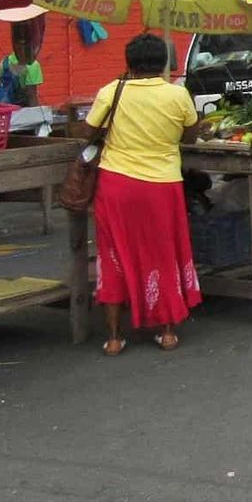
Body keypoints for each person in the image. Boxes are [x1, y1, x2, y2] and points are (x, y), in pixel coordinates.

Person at [84, 34, 202, 355]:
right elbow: (190, 137)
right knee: (162, 253)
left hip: (116, 185)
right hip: (162, 186)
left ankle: (112, 338)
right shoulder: (177, 95)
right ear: (164, 62)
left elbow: (87, 132)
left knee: (113, 256)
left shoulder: (111, 91)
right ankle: (166, 332)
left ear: (129, 62)